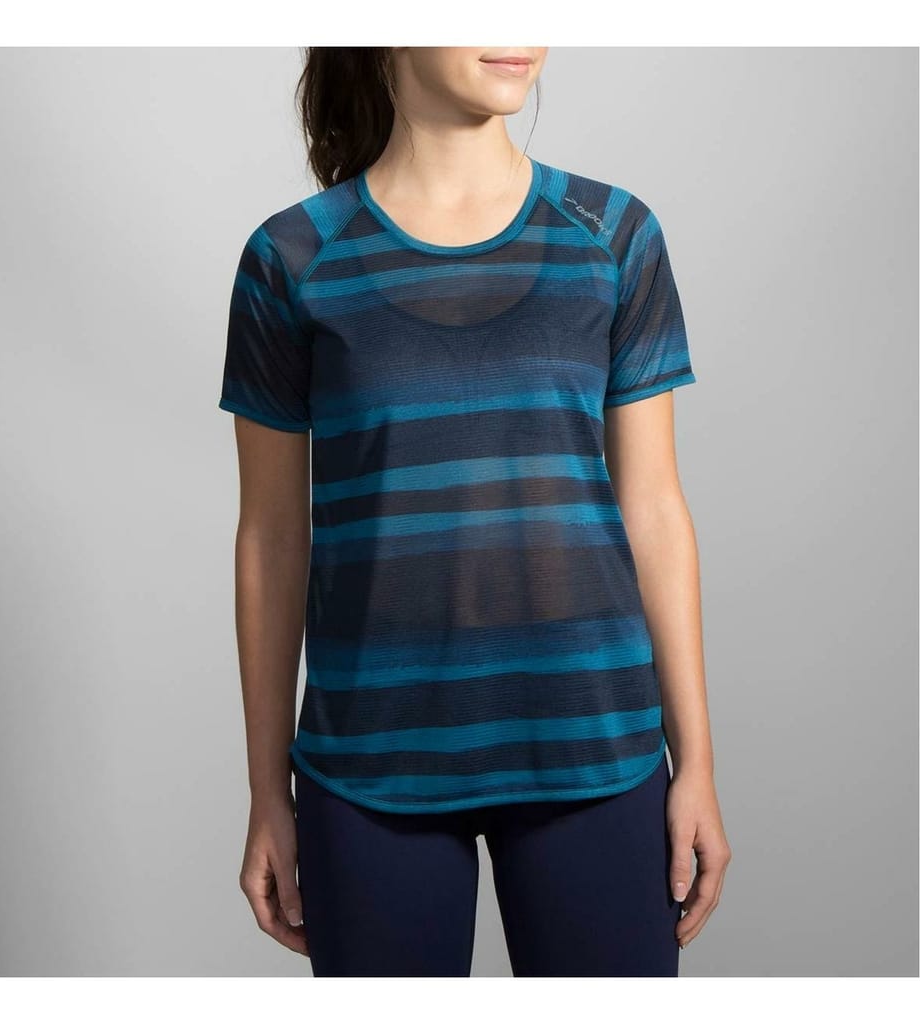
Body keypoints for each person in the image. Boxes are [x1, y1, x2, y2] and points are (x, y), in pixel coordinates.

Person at [219, 46, 731, 977]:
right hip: (369, 768)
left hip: (597, 753)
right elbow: (272, 539)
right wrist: (267, 791)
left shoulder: (613, 234)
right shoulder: (292, 258)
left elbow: (654, 505)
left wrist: (695, 760)